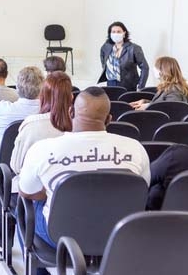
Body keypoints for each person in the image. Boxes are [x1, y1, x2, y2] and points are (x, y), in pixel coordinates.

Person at [19, 87, 150, 274]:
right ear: (109, 119)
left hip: (59, 236)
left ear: (71, 112)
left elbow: (26, 191)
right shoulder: (135, 148)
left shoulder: (43, 149)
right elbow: (140, 191)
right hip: (117, 235)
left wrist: (53, 194)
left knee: (24, 208)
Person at [0, 71, 73, 254]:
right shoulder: (77, 123)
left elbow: (16, 166)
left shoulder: (31, 124)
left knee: (13, 184)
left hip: (38, 190)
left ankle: (2, 240)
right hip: (73, 196)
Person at [0, 66, 44, 150]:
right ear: (42, 89)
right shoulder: (48, 115)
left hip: (5, 161)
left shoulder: (3, 108)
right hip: (36, 161)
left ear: (17, 87)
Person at [98, 21, 149, 92]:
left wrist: (141, 86)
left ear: (124, 33)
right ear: (110, 34)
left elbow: (145, 68)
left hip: (129, 85)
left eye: (119, 31)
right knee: (113, 103)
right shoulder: (105, 47)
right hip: (111, 84)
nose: (116, 34)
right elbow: (104, 63)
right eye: (113, 32)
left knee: (126, 102)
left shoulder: (134, 48)